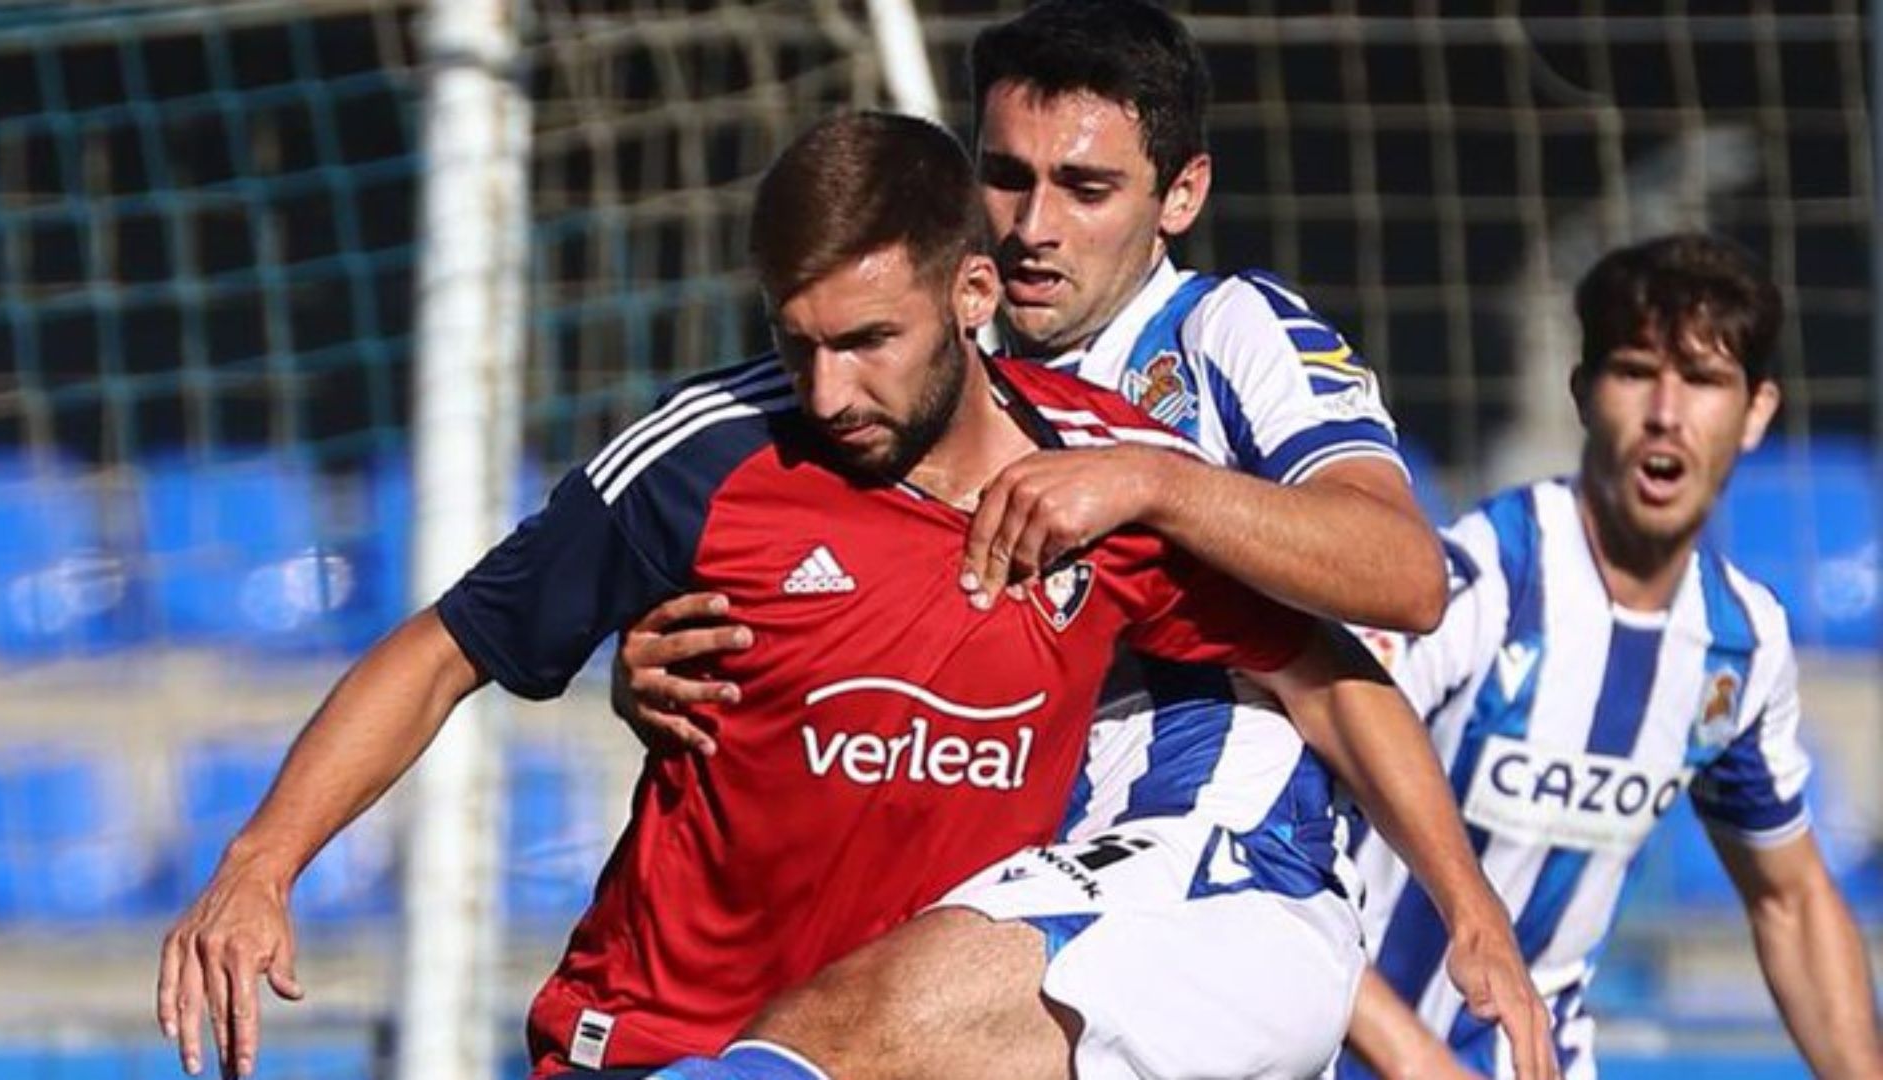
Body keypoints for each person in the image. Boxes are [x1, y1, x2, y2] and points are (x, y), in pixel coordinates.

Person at [153, 110, 1448, 1080]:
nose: (828, 393)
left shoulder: (1100, 486)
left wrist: (1469, 917)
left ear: (971, 296)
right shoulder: (706, 455)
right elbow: (446, 648)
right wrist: (259, 864)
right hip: (660, 1041)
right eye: (797, 342)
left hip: (906, 1046)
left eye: (868, 344)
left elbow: (1323, 670)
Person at [615, 3, 1555, 1079]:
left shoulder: (1223, 334)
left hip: (1202, 870)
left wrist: (1152, 482)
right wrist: (668, 677)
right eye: (1006, 178)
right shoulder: (921, 381)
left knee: (836, 1034)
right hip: (1020, 899)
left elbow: (1401, 575)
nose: (1030, 227)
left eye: (1086, 187)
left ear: (1181, 196)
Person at [1342, 233, 1883, 1079]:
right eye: (1635, 371)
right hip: (1339, 1051)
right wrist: (1415, 1059)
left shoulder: (1741, 639)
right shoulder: (1477, 581)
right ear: (1586, 393)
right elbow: (1275, 843)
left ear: (1757, 412)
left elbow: (1790, 898)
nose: (1666, 412)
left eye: (1703, 381)